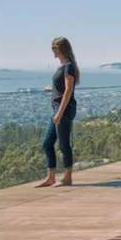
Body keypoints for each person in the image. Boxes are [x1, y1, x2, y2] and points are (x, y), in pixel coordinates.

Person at [38, 37, 79, 188]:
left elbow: (69, 90)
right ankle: (51, 177)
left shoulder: (69, 66)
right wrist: (53, 89)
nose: (53, 52)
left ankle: (68, 178)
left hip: (63, 110)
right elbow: (63, 88)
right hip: (57, 109)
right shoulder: (63, 66)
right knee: (47, 143)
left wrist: (60, 113)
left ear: (61, 49)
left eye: (54, 48)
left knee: (63, 145)